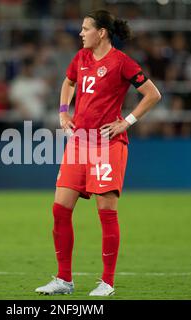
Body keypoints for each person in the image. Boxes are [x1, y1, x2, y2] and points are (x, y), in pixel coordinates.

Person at [35, 10, 161, 296]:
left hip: (107, 145)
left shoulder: (122, 62)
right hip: (79, 143)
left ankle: (107, 282)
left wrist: (126, 122)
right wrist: (63, 113)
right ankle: (64, 280)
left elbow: (153, 94)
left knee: (105, 212)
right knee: (59, 209)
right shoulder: (80, 58)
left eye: (85, 28)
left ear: (101, 32)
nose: (80, 33)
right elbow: (68, 83)